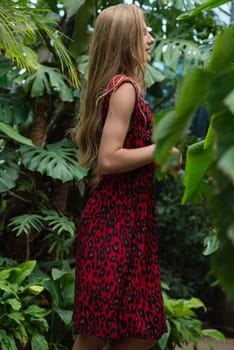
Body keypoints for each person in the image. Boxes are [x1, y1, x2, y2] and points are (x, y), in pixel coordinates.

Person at [72, 4, 179, 350]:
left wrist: (157, 160)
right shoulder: (124, 88)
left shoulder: (123, 88)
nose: (150, 39)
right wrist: (158, 152)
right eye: (143, 32)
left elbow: (126, 155)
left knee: (141, 330)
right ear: (125, 40)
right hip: (113, 223)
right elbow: (108, 159)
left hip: (132, 223)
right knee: (95, 334)